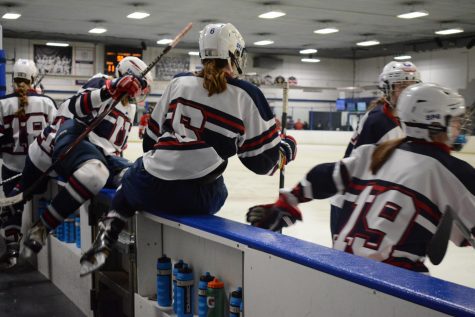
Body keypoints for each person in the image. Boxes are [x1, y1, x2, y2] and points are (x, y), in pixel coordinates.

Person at [79, 23, 297, 275]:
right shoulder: (247, 94)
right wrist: (287, 147)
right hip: (195, 199)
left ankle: (108, 231)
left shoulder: (179, 82)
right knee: (220, 185)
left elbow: (150, 142)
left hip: (147, 187)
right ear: (234, 55)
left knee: (133, 175)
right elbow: (262, 164)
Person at [247, 83, 475, 272]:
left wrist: (286, 203)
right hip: (397, 287)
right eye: (454, 121)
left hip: (343, 271)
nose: (458, 129)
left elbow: (321, 176)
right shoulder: (453, 171)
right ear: (436, 122)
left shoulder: (375, 153)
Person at [22, 57, 152, 255]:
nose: (140, 92)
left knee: (136, 174)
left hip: (96, 154)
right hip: (60, 148)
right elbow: (76, 108)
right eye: (140, 86)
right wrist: (111, 88)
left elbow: (115, 148)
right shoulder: (101, 81)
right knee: (22, 197)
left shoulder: (131, 108)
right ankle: (38, 229)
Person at [330, 61, 421, 237]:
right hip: (352, 203)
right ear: (388, 89)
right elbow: (362, 169)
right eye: (401, 86)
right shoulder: (380, 121)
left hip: (366, 203)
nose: (407, 93)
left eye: (412, 87)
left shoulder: (398, 118)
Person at [0, 59, 57, 268]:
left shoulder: (3, 104)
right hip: (39, 169)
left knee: (11, 208)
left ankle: (12, 250)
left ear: (13, 79)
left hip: (11, 166)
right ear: (33, 78)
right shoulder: (47, 103)